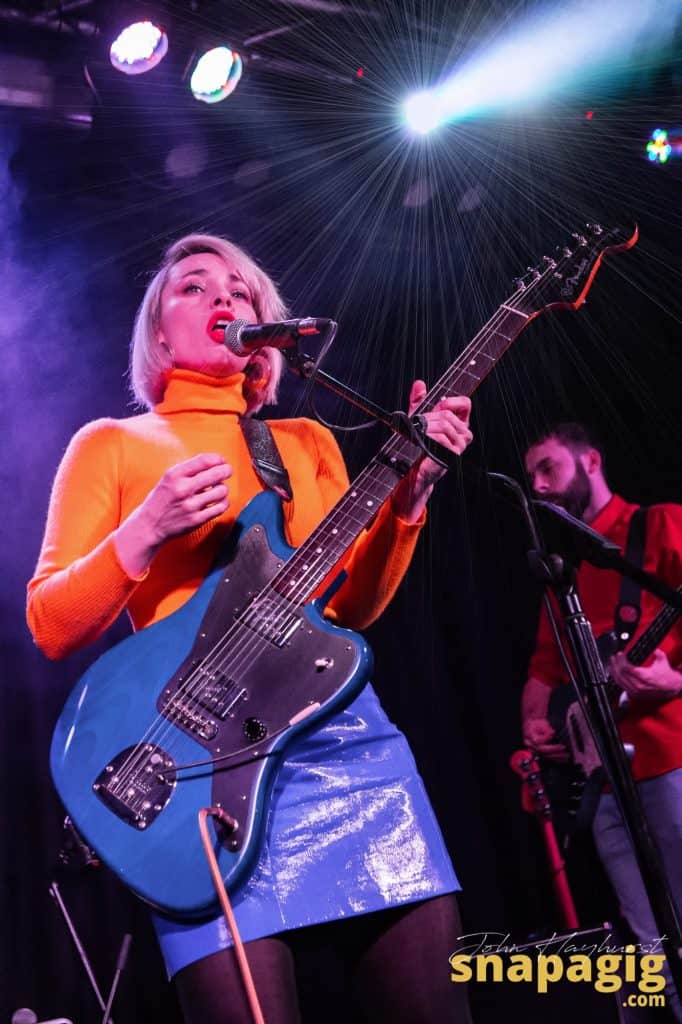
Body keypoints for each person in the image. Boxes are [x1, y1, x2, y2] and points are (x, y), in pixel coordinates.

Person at [27, 234, 475, 1024]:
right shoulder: (112, 445)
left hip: (349, 757)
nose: (222, 298)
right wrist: (145, 530)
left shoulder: (305, 444)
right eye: (193, 286)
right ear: (159, 331)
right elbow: (52, 625)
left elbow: (349, 612)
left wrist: (410, 500)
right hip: (197, 776)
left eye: (239, 290)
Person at [521, 421, 682, 1021]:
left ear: (590, 461)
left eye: (548, 469)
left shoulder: (661, 525)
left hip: (672, 761)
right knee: (651, 951)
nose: (538, 487)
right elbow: (543, 667)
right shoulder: (564, 573)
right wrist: (534, 721)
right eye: (531, 476)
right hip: (605, 786)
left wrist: (676, 682)